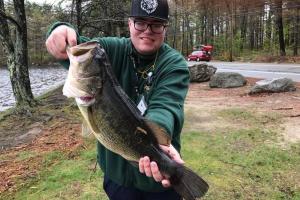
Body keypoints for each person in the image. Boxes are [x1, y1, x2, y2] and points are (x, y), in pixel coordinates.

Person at [45, 0, 190, 199]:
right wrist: (61, 29)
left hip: (159, 178)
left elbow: (166, 105)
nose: (147, 30)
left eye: (156, 24)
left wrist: (159, 141)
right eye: (140, 22)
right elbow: (77, 45)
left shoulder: (174, 64)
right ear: (129, 23)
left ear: (165, 28)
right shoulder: (107, 49)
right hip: (117, 177)